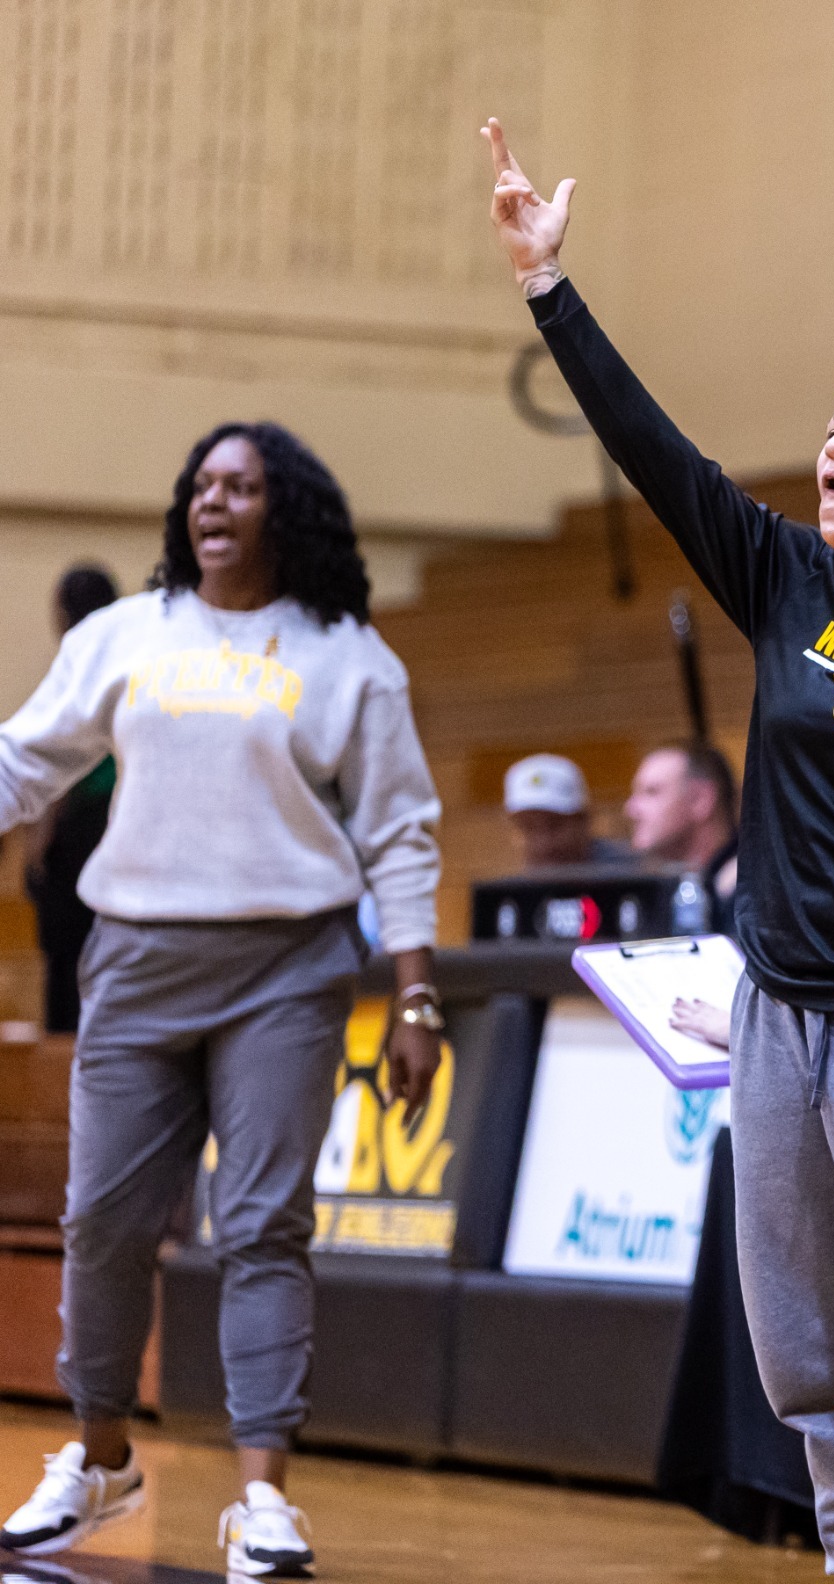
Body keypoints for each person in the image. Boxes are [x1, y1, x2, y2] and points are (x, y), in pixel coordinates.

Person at [483, 121, 834, 1584]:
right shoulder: (785, 575)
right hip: (777, 1018)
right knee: (806, 1357)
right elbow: (651, 450)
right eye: (833, 423)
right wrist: (551, 287)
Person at [0, 422, 444, 1578]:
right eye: (201, 485)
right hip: (137, 960)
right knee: (102, 1222)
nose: (213, 503)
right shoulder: (125, 636)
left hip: (285, 967)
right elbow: (25, 760)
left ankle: (262, 1503)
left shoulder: (347, 653)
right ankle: (100, 1457)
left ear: (283, 509)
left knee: (261, 1229)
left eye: (240, 487)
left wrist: (414, 996)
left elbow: (400, 830)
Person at [22, 566, 120, 1035]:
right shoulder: (129, 655)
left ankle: (65, 1063)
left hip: (85, 827)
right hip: (118, 832)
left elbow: (54, 768)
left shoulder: (81, 659)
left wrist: (38, 846)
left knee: (68, 971)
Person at [626, 740, 740, 933]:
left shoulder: (752, 891)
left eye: (651, 792)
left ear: (700, 800)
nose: (630, 810)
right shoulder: (663, 889)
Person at [502, 752, 629, 867]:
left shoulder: (633, 875)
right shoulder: (511, 890)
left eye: (554, 824)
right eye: (528, 827)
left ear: (584, 820)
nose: (543, 843)